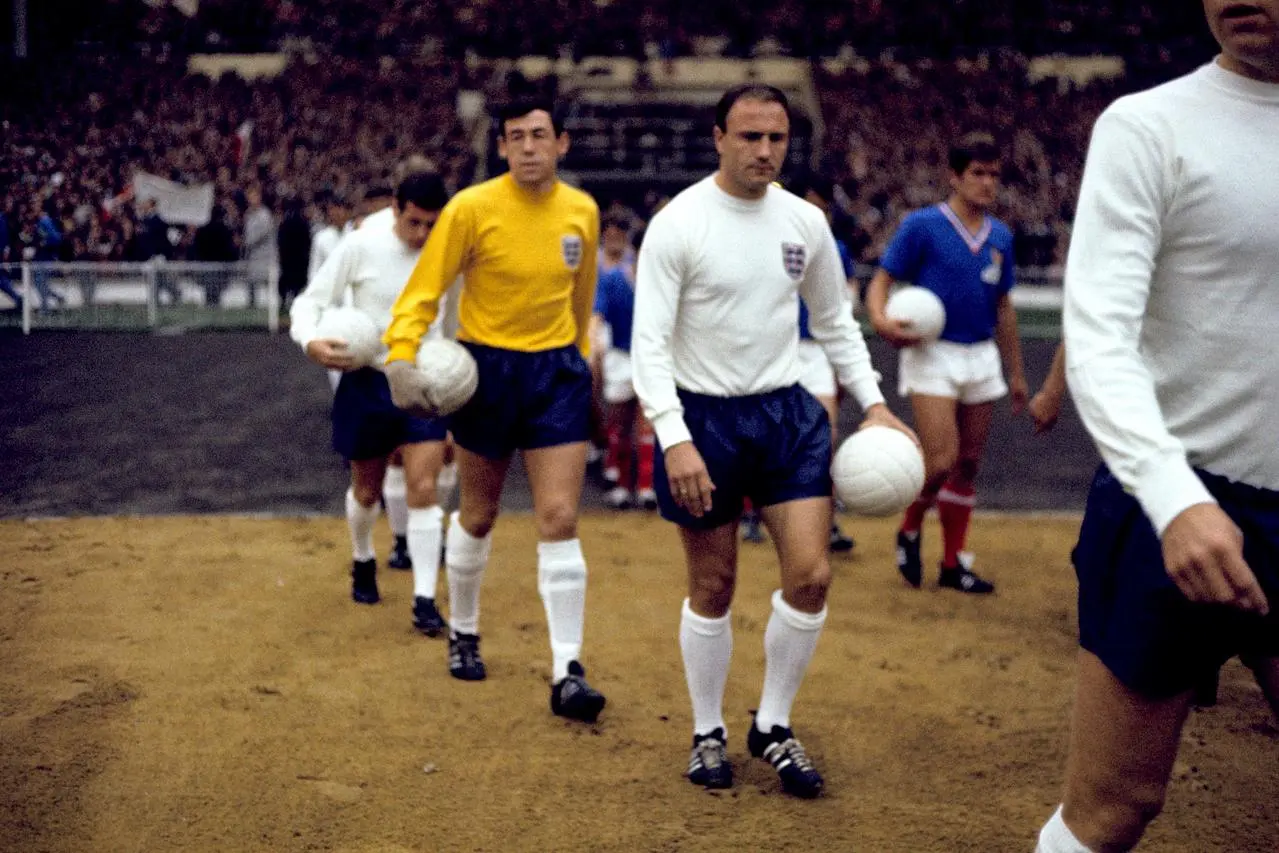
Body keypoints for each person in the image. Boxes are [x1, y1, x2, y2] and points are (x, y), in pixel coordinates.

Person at [1034, 3, 1279, 850]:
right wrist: (1174, 497)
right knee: (1111, 808)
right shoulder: (1148, 125)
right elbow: (1097, 333)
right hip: (1168, 504)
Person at [632, 84, 914, 798]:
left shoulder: (805, 223)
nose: (764, 150)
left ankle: (773, 724)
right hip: (702, 422)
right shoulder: (678, 224)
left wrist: (877, 406)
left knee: (812, 575)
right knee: (714, 584)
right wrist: (674, 437)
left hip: (786, 417)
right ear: (718, 136)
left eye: (776, 138)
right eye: (750, 136)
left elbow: (835, 323)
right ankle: (706, 731)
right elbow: (647, 346)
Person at [383, 98, 607, 724]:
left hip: (555, 373)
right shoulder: (472, 208)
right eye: (517, 137)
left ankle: (568, 668)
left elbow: (581, 298)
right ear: (503, 147)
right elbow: (424, 287)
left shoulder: (582, 212)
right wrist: (401, 355)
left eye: (540, 135)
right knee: (478, 514)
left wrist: (580, 360)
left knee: (560, 515)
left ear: (561, 143)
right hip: (486, 374)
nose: (529, 147)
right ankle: (466, 630)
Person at [288, 171, 453, 638]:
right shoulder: (361, 244)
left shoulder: (447, 245)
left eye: (431, 224)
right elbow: (309, 303)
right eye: (414, 223)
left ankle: (424, 598)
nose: (422, 235)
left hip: (422, 378)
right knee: (366, 491)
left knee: (425, 487)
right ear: (396, 208)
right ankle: (362, 558)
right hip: (367, 379)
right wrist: (309, 342)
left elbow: (456, 314)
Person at [866, 131, 1029, 595]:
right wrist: (880, 319)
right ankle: (910, 525)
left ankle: (954, 562)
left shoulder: (1000, 236)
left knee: (970, 464)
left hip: (981, 355)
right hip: (931, 352)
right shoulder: (922, 226)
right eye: (977, 173)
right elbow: (882, 279)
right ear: (954, 177)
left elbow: (1003, 307)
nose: (987, 183)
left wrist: (1016, 373)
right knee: (941, 460)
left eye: (994, 174)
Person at [591, 237, 657, 510]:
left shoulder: (659, 281)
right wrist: (593, 341)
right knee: (619, 424)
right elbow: (598, 313)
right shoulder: (613, 279)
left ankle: (645, 486)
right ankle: (620, 485)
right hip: (619, 355)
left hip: (649, 356)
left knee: (646, 424)